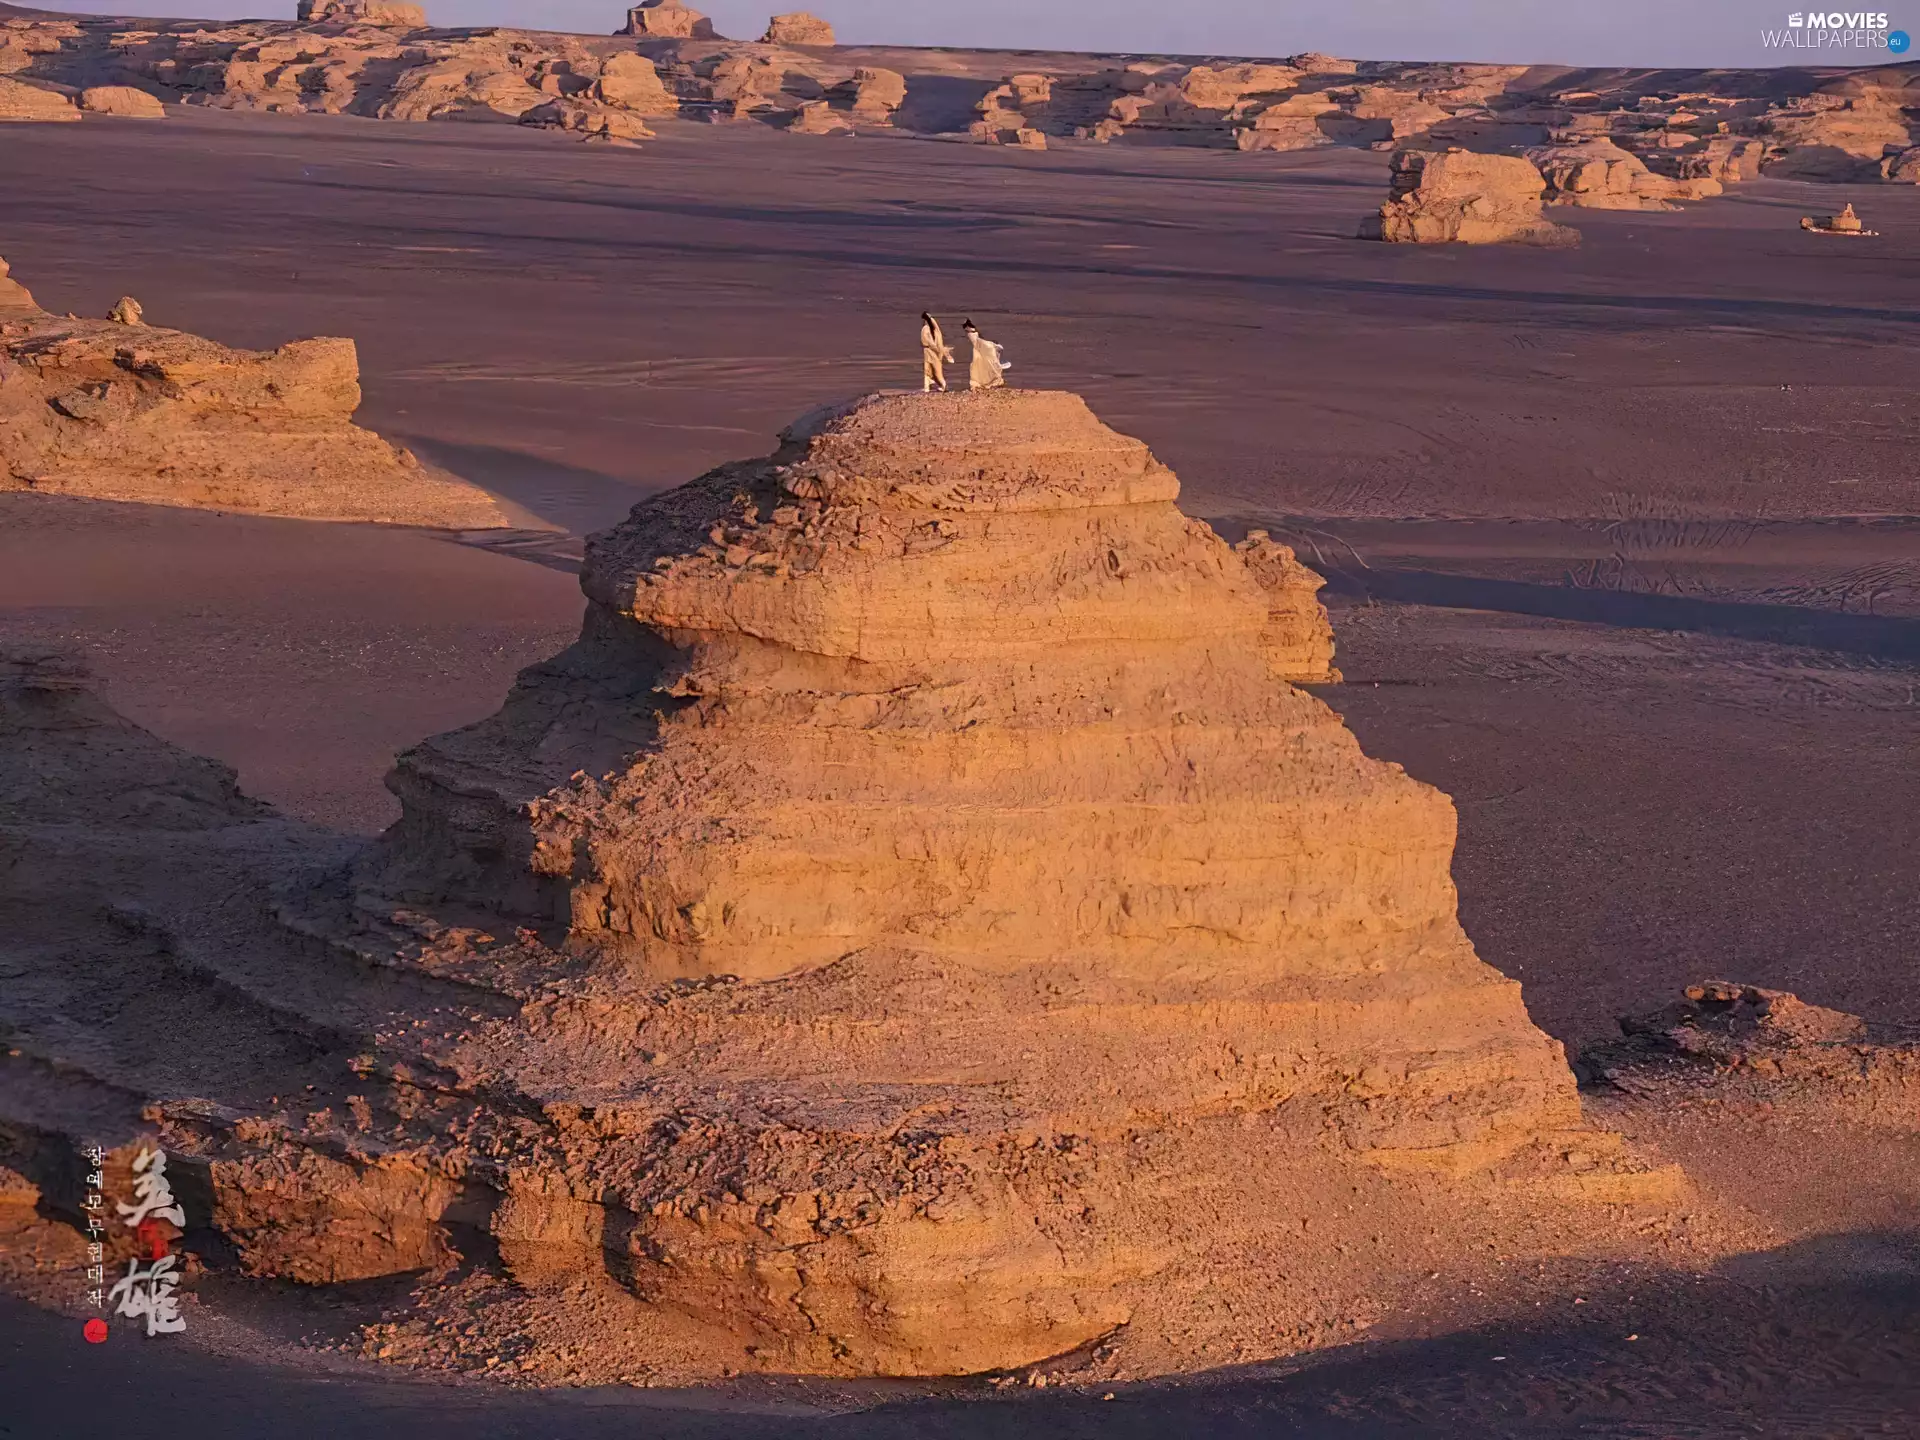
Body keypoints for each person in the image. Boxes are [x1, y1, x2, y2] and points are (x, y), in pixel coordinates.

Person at [963, 319, 1008, 390]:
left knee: (981, 360)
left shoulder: (976, 339)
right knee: (982, 360)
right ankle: (990, 381)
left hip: (984, 344)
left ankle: (989, 381)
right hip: (984, 343)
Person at [920, 313, 954, 392]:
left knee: (932, 369)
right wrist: (939, 350)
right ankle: (928, 387)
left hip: (929, 350)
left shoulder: (925, 329)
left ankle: (941, 385)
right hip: (930, 350)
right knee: (930, 368)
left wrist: (937, 349)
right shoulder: (932, 329)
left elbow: (929, 342)